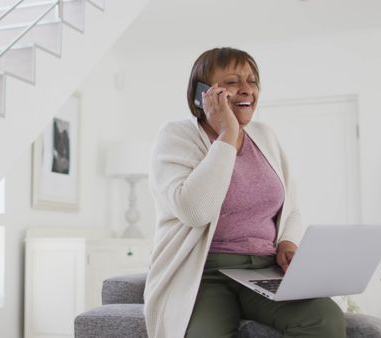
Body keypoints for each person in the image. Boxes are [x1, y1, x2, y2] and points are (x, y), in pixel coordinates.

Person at [143, 47, 345, 338]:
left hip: (263, 270)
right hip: (203, 273)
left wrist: (288, 242)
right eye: (233, 82)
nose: (247, 90)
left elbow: (290, 207)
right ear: (203, 93)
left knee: (323, 318)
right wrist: (227, 135)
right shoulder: (177, 135)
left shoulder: (265, 136)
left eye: (252, 81)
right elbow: (195, 211)